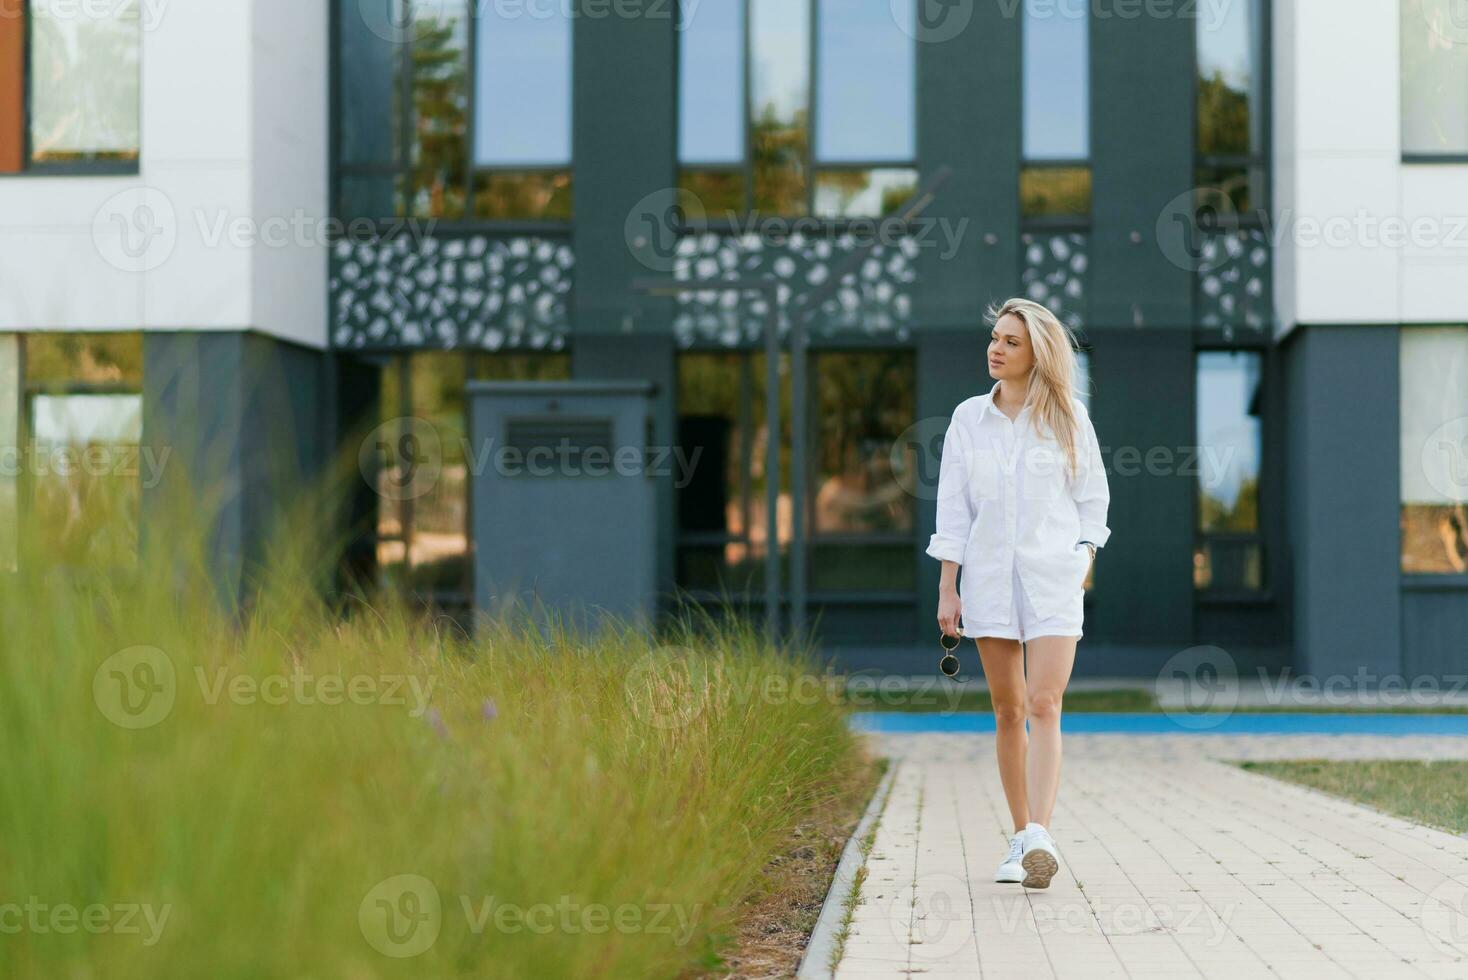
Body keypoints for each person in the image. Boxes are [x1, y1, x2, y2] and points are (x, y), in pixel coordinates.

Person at [926, 297, 1111, 889]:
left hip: (1053, 580)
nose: (996, 348)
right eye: (995, 338)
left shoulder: (1069, 417)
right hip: (985, 581)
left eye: (1011, 341)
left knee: (1044, 703)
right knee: (1007, 709)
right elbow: (952, 508)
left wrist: (1081, 559)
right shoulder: (965, 420)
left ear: (1037, 353)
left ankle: (1039, 838)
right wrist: (948, 587)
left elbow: (1093, 502)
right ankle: (1021, 833)